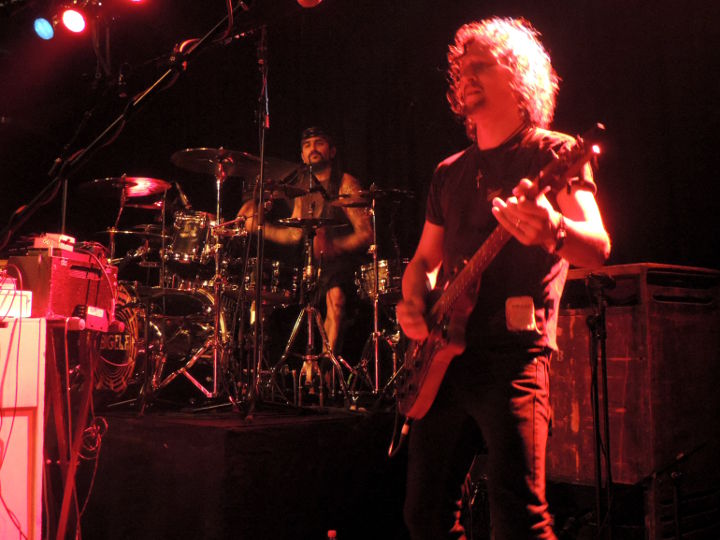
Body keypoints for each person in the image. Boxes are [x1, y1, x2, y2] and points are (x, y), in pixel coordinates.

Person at [396, 17, 611, 539]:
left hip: (513, 359)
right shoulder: (448, 171)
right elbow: (424, 261)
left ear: (518, 76)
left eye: (480, 65)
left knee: (518, 519)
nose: (465, 77)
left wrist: (554, 229)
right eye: (461, 70)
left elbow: (598, 246)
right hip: (442, 361)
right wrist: (413, 302)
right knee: (424, 515)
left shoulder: (554, 153)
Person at [238, 127, 372, 370]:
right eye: (307, 145)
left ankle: (328, 369)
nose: (313, 149)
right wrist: (259, 228)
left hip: (345, 264)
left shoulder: (346, 184)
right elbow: (294, 234)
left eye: (319, 143)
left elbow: (366, 234)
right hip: (313, 265)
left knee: (336, 297)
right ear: (301, 155)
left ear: (332, 151)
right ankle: (296, 369)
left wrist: (334, 246)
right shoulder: (301, 189)